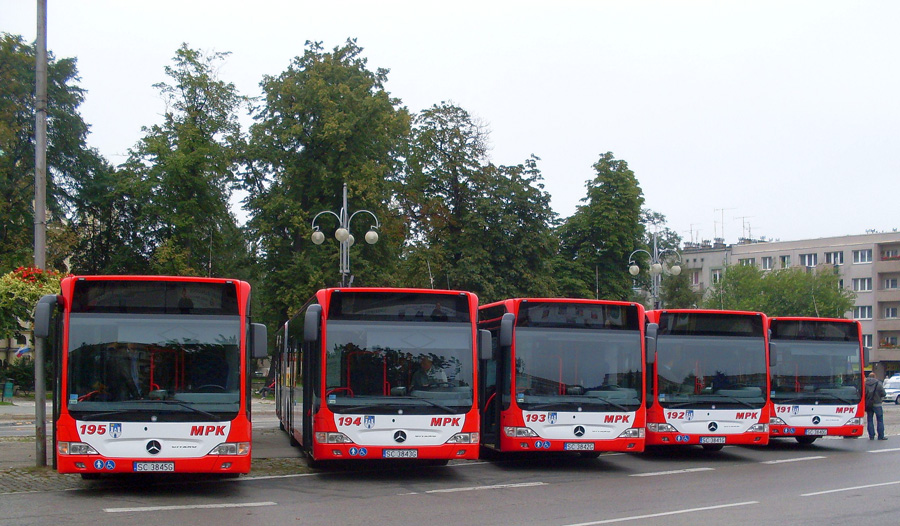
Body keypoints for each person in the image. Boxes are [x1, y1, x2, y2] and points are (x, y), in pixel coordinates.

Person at [865, 372, 887, 440]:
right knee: (880, 420)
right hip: (877, 404)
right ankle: (880, 436)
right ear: (875, 377)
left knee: (870, 420)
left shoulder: (865, 384)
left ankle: (871, 436)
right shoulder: (878, 383)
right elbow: (883, 393)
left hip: (869, 404)